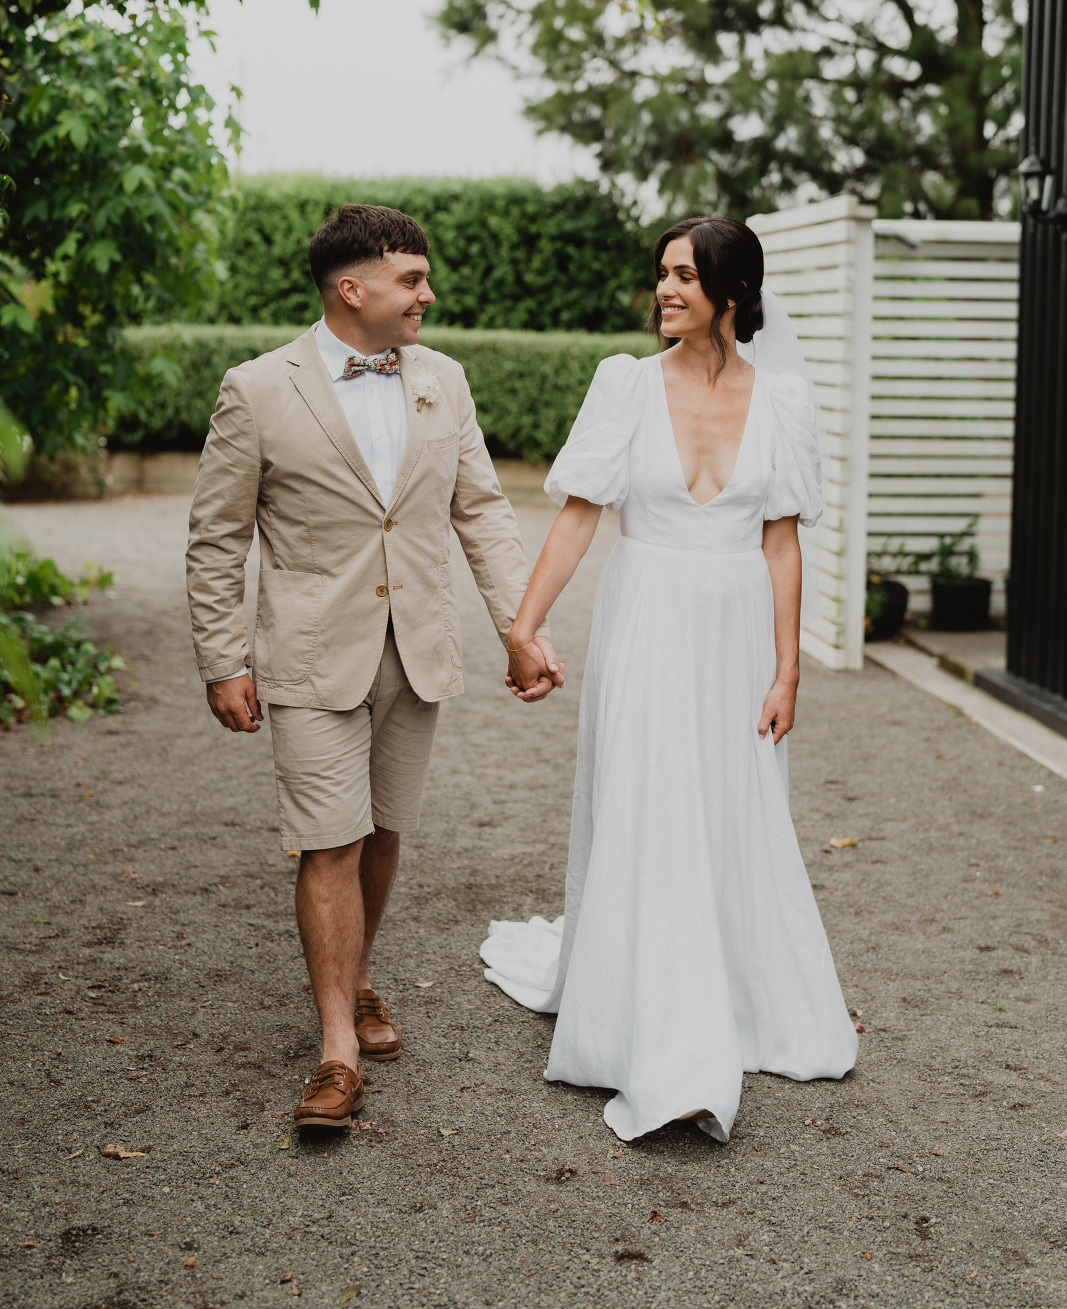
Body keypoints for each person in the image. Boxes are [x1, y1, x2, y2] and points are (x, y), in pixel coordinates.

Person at [186, 204, 560, 1132]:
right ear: (351, 289)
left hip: (417, 648)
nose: (427, 294)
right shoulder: (256, 389)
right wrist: (223, 658)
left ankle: (356, 978)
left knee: (384, 831)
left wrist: (520, 628)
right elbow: (218, 536)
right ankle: (335, 1052)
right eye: (411, 279)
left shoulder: (443, 379)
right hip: (311, 654)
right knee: (330, 842)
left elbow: (481, 511)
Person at [486, 216, 859, 1143]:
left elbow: (781, 542)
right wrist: (523, 625)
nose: (664, 289)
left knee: (729, 806)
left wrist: (787, 672)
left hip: (735, 634)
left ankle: (734, 993)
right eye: (661, 272)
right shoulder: (624, 384)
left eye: (685, 276)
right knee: (647, 801)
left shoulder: (783, 402)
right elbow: (579, 517)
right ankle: (653, 1028)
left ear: (732, 293)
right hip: (645, 622)